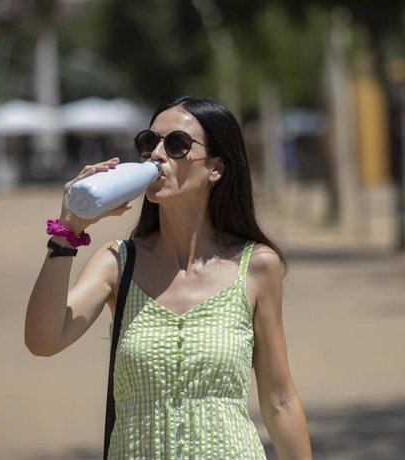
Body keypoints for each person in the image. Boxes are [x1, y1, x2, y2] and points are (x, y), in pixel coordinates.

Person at [25, 96, 312, 459]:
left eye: (176, 144)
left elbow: (280, 399)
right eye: (149, 143)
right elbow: (42, 340)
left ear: (216, 168)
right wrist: (68, 232)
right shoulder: (118, 262)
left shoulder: (256, 266)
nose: (156, 155)